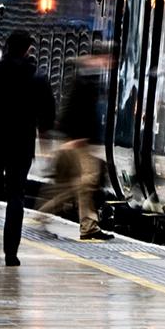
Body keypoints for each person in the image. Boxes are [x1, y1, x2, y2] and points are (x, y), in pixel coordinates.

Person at [0, 31, 54, 266]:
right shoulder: (37, 78)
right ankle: (11, 253)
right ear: (27, 50)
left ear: (6, 47)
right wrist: (43, 140)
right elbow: (47, 117)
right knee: (16, 195)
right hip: (22, 144)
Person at [40, 43, 113, 240]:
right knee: (86, 183)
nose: (110, 63)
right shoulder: (84, 78)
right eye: (108, 58)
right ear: (99, 57)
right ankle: (48, 213)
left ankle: (87, 226)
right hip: (78, 142)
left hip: (82, 141)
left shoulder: (88, 76)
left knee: (80, 184)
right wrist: (73, 137)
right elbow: (72, 108)